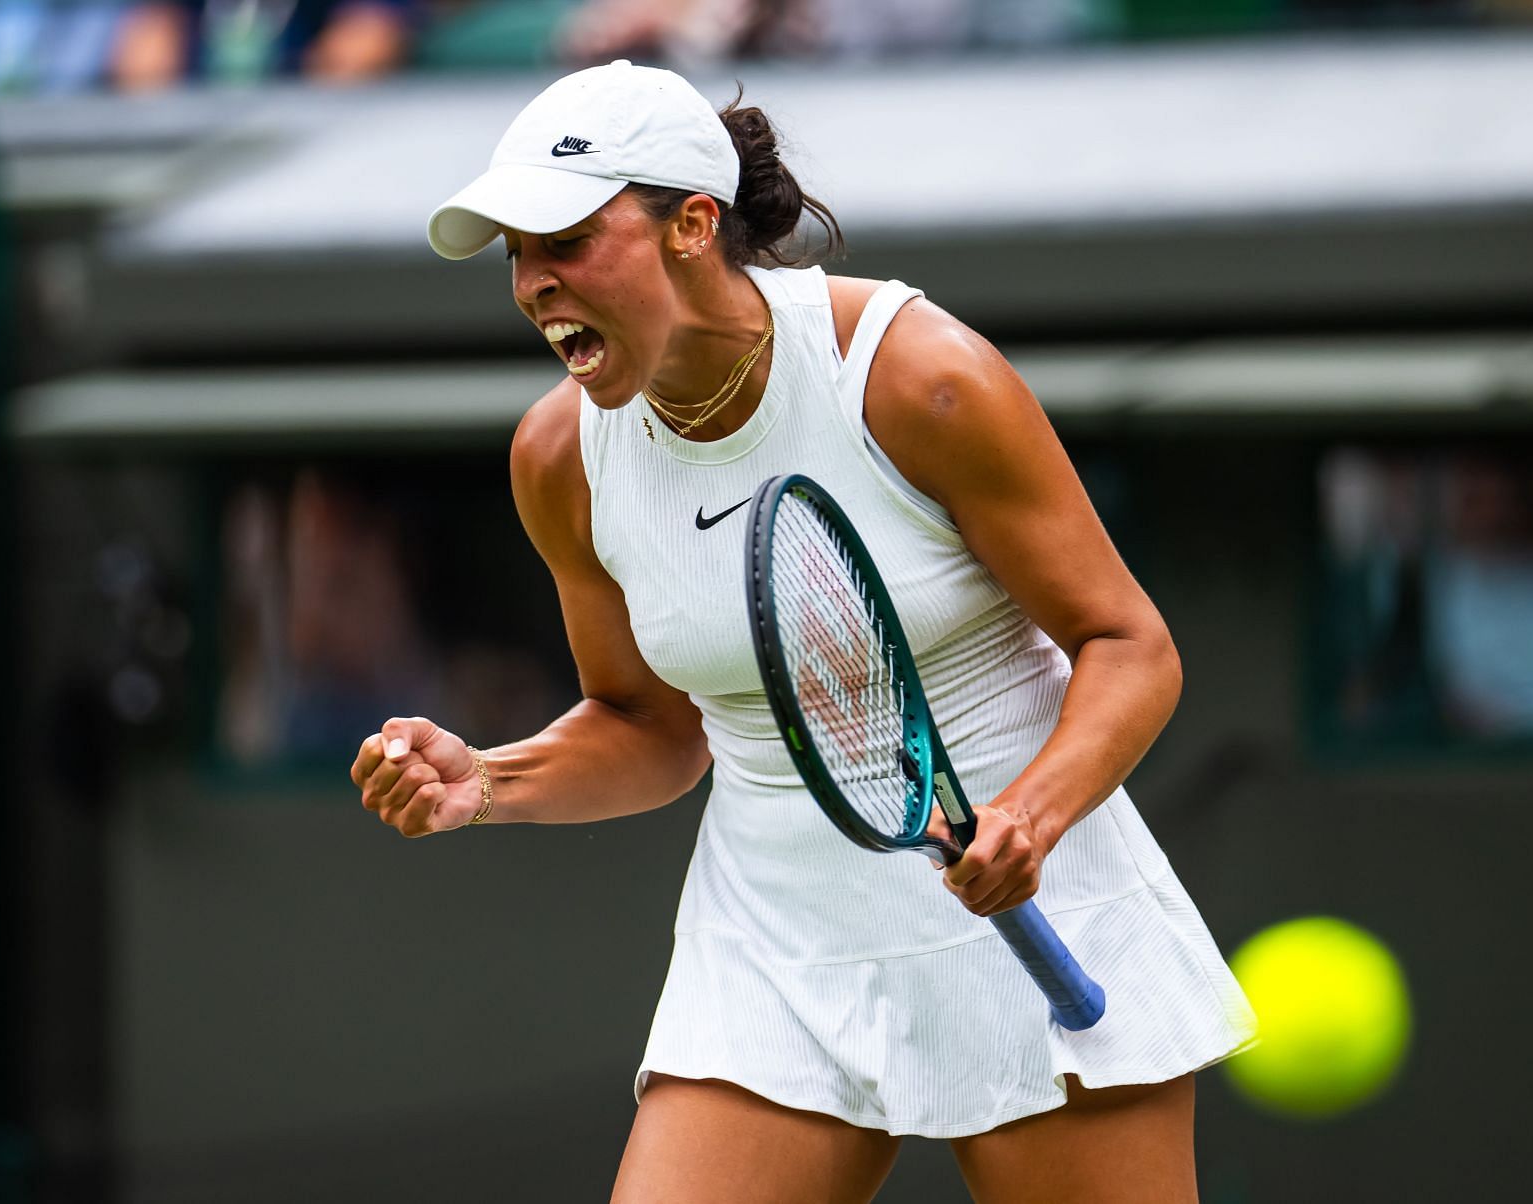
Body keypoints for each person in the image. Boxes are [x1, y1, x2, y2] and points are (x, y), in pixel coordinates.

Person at [349, 59, 1255, 1202]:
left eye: (566, 238)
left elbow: (1131, 646)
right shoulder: (559, 459)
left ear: (691, 223)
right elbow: (651, 727)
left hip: (1035, 905)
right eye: (517, 255)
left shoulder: (917, 376)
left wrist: (1034, 811)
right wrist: (487, 777)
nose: (534, 282)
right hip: (773, 946)